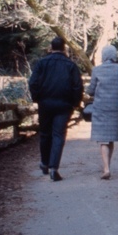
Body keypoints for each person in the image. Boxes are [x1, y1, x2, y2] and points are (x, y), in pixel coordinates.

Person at [28, 36, 83, 182]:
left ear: (51, 48)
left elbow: (33, 82)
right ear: (64, 48)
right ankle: (54, 168)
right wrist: (75, 103)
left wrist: (37, 98)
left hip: (45, 103)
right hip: (64, 105)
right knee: (58, 135)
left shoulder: (42, 63)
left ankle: (44, 163)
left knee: (45, 134)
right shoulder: (70, 65)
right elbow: (78, 86)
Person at [86, 44, 118, 180]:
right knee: (111, 138)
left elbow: (91, 90)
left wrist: (89, 90)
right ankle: (108, 166)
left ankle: (106, 168)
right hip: (115, 108)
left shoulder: (97, 70)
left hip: (101, 107)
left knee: (103, 140)